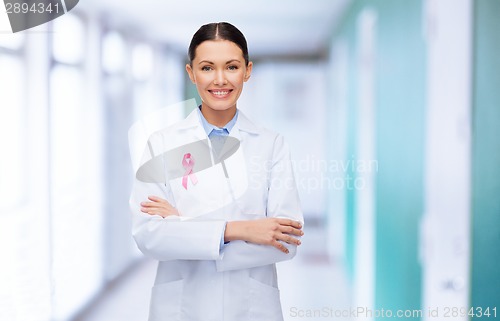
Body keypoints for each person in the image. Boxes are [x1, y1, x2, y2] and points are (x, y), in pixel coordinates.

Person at [130, 22, 304, 321]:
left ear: (247, 71)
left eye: (232, 67)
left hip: (251, 307)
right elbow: (150, 235)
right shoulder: (162, 144)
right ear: (191, 73)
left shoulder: (271, 145)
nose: (220, 79)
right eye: (207, 67)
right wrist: (238, 230)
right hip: (182, 306)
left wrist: (183, 225)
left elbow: (285, 242)